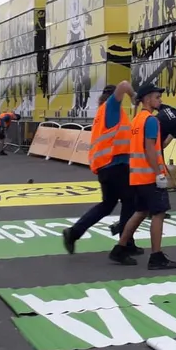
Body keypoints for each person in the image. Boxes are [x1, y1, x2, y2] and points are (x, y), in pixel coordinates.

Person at [62, 82, 143, 255]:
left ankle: (74, 232)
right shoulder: (111, 107)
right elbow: (124, 85)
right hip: (116, 165)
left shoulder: (103, 113)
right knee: (130, 201)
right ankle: (125, 243)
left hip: (105, 166)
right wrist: (133, 95)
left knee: (108, 204)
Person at [110, 84, 176, 269]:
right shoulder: (151, 121)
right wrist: (158, 174)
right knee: (159, 213)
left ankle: (120, 247)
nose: (160, 100)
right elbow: (150, 149)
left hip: (137, 176)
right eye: (157, 97)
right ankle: (156, 256)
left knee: (141, 211)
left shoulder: (137, 120)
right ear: (147, 99)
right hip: (150, 177)